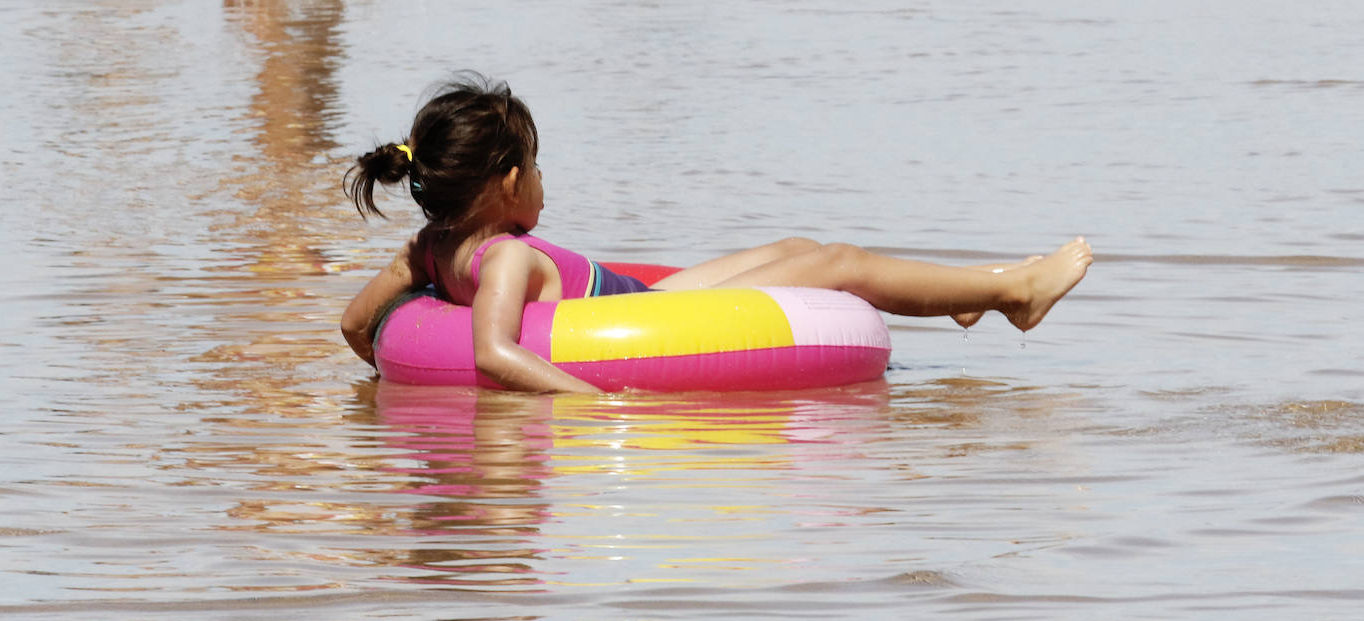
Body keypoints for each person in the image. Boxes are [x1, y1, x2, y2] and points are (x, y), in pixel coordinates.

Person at [342, 74, 1092, 394]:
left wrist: (393, 360)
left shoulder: (429, 250)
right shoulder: (504, 258)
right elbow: (494, 353)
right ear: (508, 183)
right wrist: (588, 402)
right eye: (537, 167)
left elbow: (354, 323)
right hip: (648, 314)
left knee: (800, 247)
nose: (544, 183)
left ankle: (950, 299)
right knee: (833, 261)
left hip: (643, 295)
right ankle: (1011, 291)